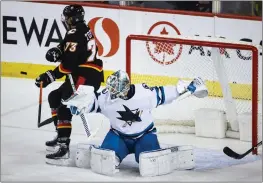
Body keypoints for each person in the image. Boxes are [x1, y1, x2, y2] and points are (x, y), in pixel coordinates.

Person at [64, 70, 208, 176]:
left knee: (149, 164)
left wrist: (188, 87)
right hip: (118, 136)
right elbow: (93, 102)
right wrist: (80, 105)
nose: (111, 93)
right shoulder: (105, 97)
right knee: (106, 161)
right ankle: (113, 151)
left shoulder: (145, 94)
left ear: (125, 88)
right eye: (111, 89)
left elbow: (167, 93)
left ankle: (170, 157)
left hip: (145, 135)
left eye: (115, 90)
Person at [35, 4, 104, 161]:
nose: (65, 21)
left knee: (65, 107)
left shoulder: (74, 33)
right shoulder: (83, 29)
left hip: (85, 77)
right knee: (54, 96)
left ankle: (64, 147)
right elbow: (73, 49)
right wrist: (59, 50)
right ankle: (60, 134)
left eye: (67, 18)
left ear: (71, 19)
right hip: (84, 74)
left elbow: (68, 66)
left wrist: (49, 76)